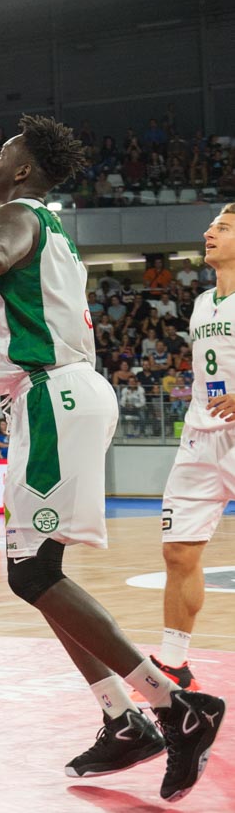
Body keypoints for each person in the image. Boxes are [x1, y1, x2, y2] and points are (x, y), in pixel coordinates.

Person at [0, 115, 224, 798]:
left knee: (31, 575)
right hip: (53, 394)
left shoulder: (15, 214)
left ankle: (174, 710)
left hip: (53, 400)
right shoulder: (45, 229)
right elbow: (26, 312)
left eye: (2, 151)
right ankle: (123, 720)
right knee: (38, 573)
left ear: (24, 170)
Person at [149, 205, 235, 700]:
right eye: (211, 227)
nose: (209, 233)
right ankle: (175, 663)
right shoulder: (203, 302)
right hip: (201, 439)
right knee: (178, 550)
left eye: (222, 229)